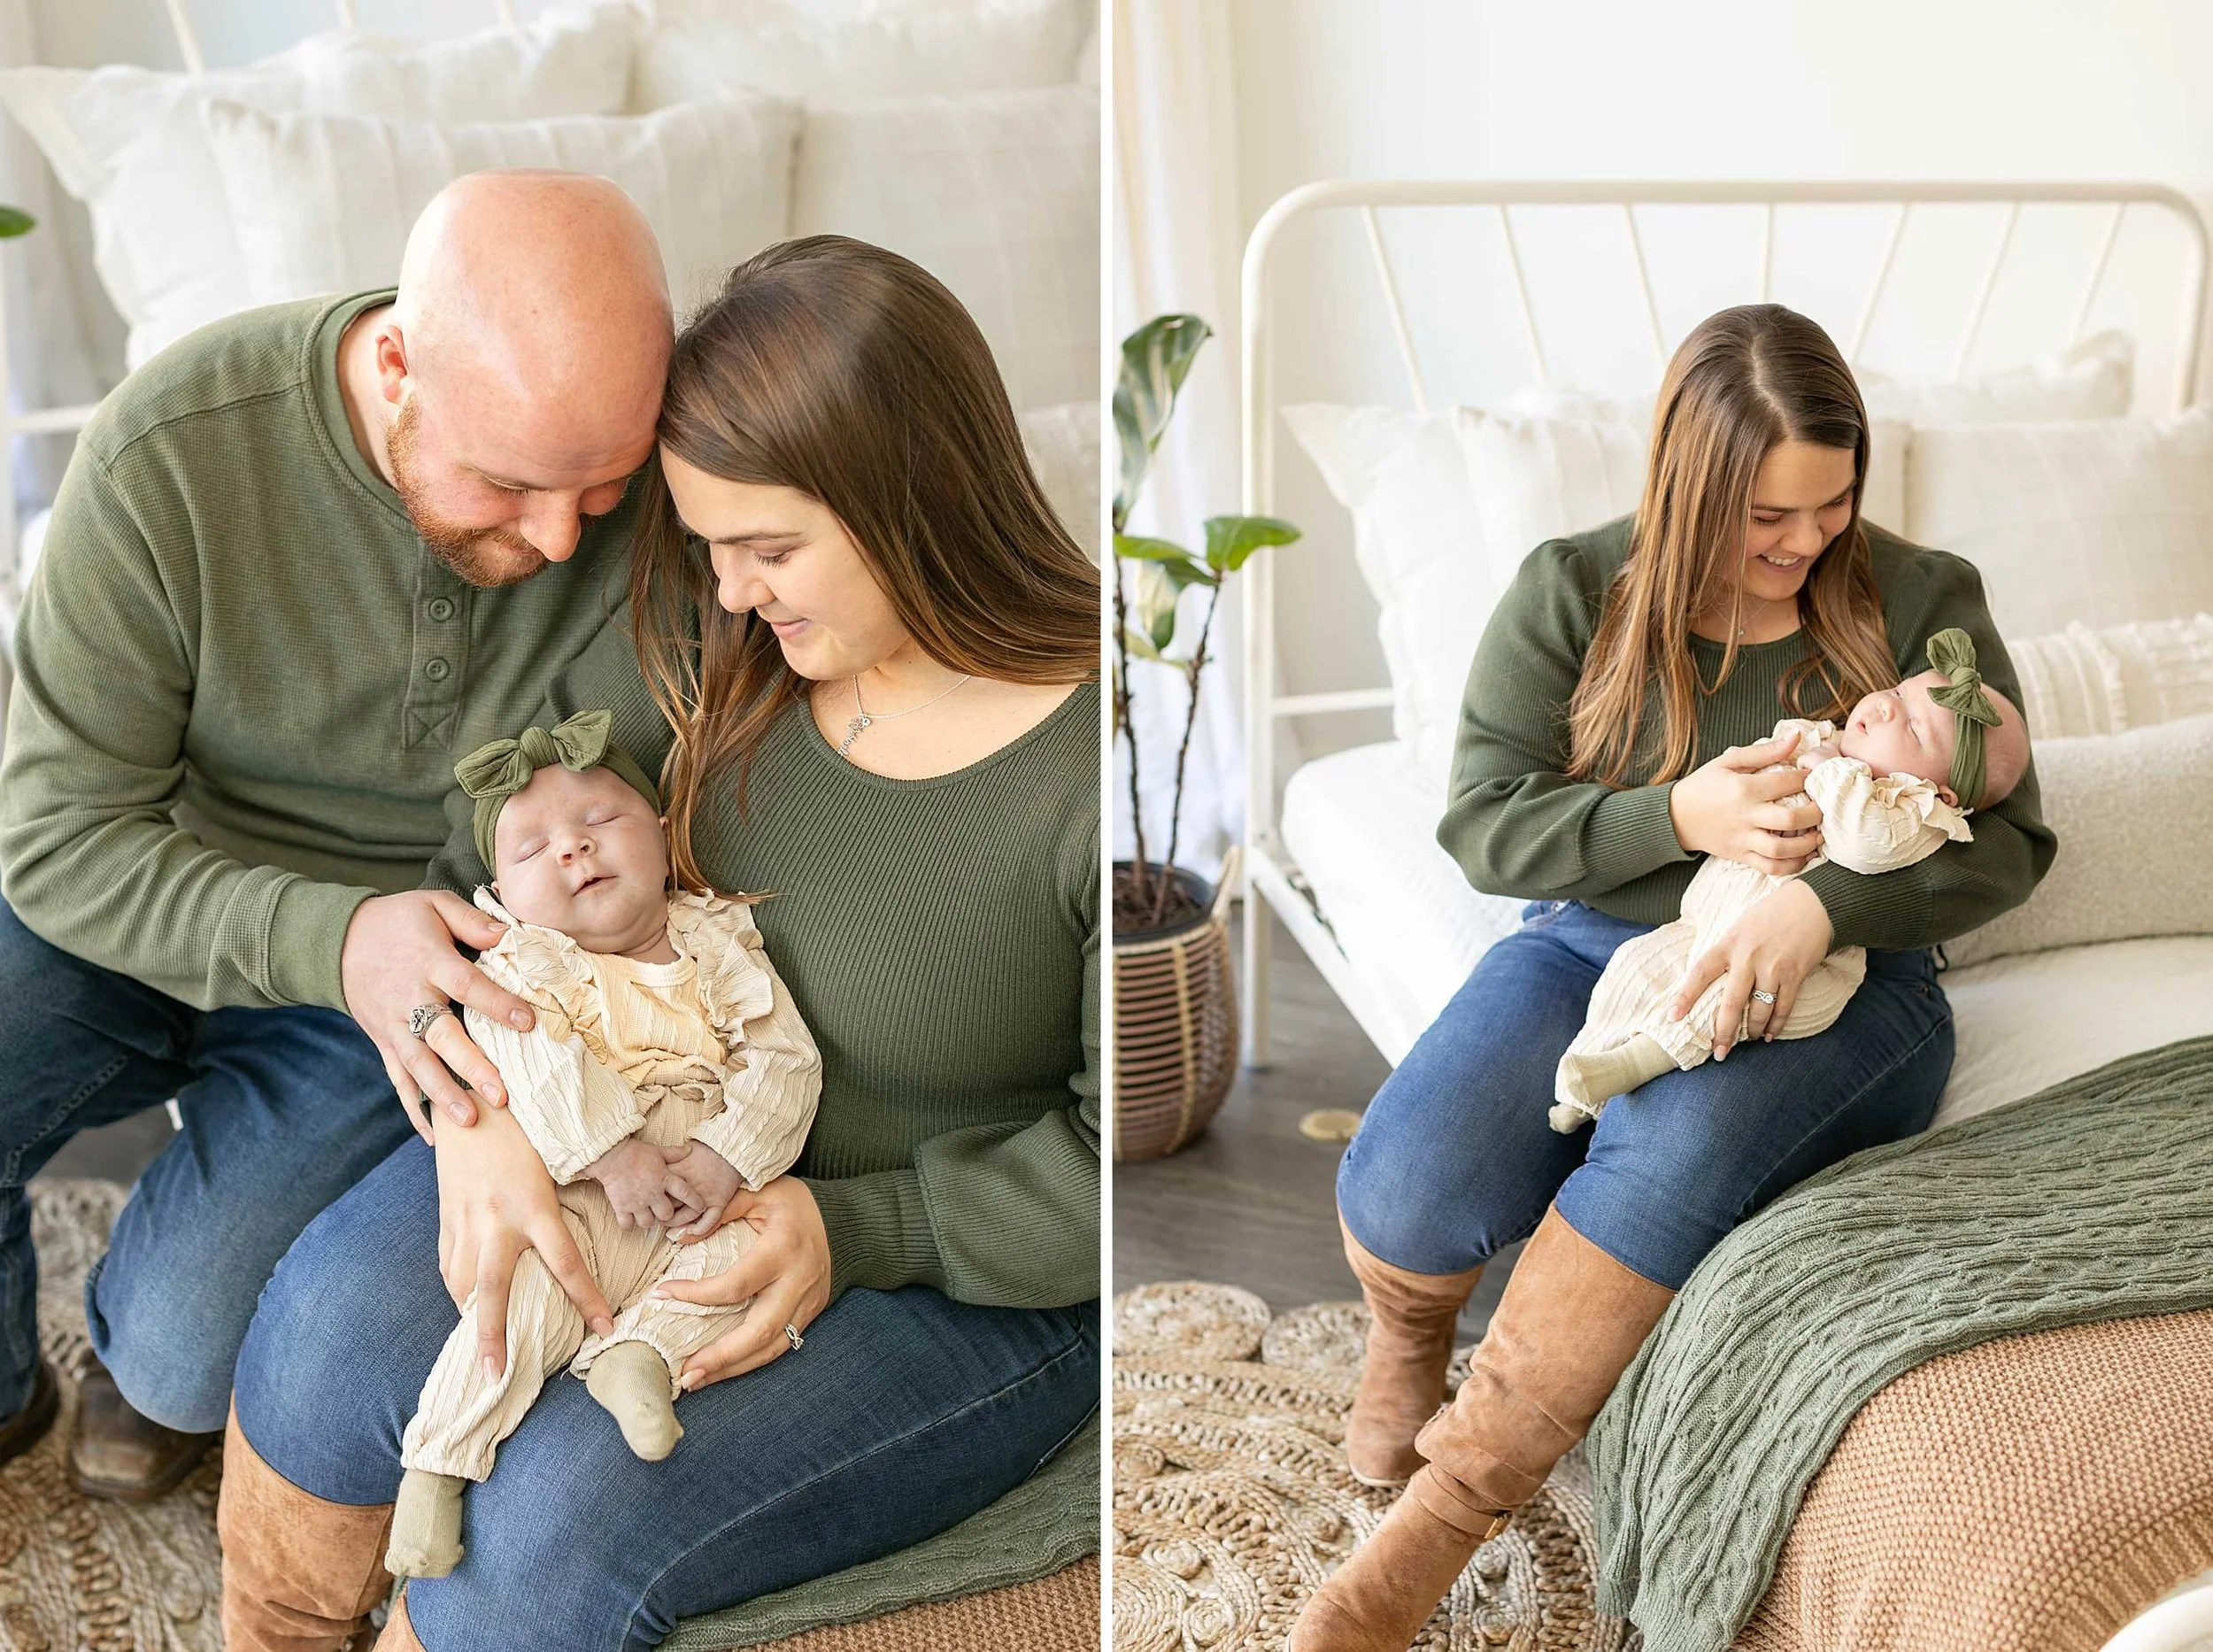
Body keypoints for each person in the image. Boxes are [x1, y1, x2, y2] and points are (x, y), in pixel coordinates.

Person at [219, 237, 1102, 1652]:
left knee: (550, 1534)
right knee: (327, 1335)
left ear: (915, 497)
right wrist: (482, 1120)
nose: (734, 587)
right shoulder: (712, 640)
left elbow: (1118, 1160)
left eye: (771, 546)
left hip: (959, 1266)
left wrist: (867, 1226)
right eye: (710, 543)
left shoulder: (1093, 764)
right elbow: (491, 870)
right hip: (611, 1147)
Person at [1291, 305, 2056, 1652]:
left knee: (1667, 1141)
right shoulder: (1572, 590)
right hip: (1602, 939)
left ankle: (1429, 1531)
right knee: (1410, 1182)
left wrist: (1823, 905)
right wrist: (1679, 818)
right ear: (1683, 483)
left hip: (1851, 982)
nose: (1806, 542)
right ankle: (1409, 1336)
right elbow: (1480, 818)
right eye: (1768, 513)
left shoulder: (1927, 597)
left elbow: (2016, 840)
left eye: (1834, 502)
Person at [0, 170, 672, 1494]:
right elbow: (58, 832)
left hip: (423, 962)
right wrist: (327, 933)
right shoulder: (171, 452)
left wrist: (442, 1023)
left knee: (177, 1360)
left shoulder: (650, 508)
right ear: (400, 364)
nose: (553, 538)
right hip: (148, 888)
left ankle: (164, 1299)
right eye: (505, 486)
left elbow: (584, 850)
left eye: (595, 492)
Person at [387, 711, 821, 1580]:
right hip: (579, 1199)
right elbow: (529, 1056)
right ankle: (435, 1469)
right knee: (509, 1315)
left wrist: (724, 1157)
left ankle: (638, 1356)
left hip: (703, 1185)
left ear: (663, 836)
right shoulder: (526, 963)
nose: (573, 852)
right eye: (534, 848)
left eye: (599, 822)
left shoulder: (718, 941)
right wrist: (611, 1153)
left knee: (741, 1263)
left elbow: (783, 1059)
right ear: (503, 897)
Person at [1552, 631, 2031, 1128]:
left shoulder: (1909, 811)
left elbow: (1866, 842)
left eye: (1913, 729)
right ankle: (1590, 1079)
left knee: (1717, 1000)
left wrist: (1831, 770)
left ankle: (1636, 1062)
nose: (1887, 709)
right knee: (1635, 966)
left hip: (1799, 976)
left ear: (1944, 792)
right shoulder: (1827, 741)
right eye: (1898, 692)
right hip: (1701, 923)